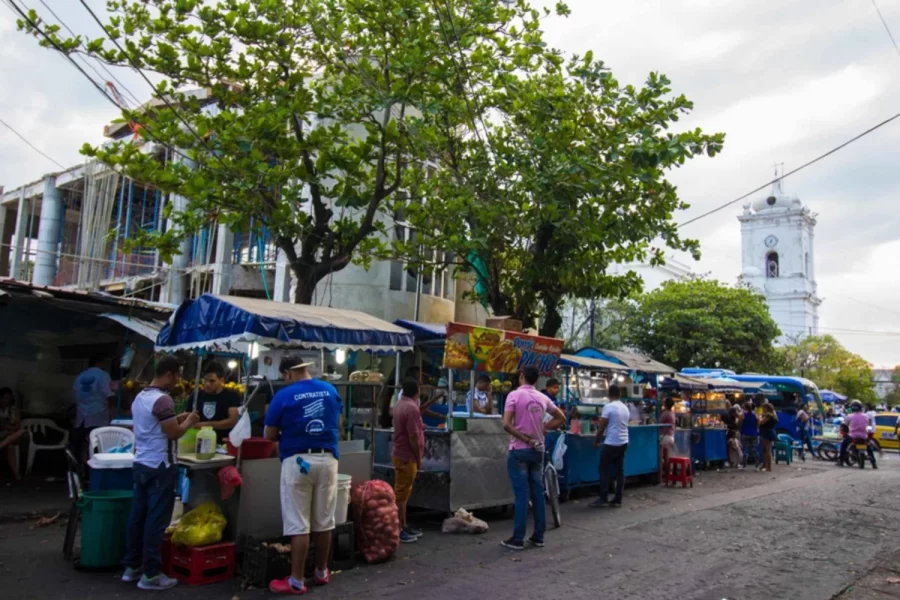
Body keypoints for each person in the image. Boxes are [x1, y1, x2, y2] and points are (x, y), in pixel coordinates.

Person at [264, 355, 343, 594]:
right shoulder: (330, 390)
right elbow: (338, 422)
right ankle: (321, 572)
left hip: (298, 462)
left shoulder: (284, 395)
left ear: (288, 373)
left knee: (299, 523)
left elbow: (269, 435)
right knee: (324, 520)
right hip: (328, 460)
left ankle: (296, 580)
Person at [122, 355, 199, 591]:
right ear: (169, 374)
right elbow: (173, 433)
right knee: (156, 521)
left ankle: (131, 566)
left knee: (138, 516)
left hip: (141, 463)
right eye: (178, 375)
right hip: (161, 466)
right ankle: (151, 575)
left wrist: (179, 418)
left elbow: (158, 425)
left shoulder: (140, 397)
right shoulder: (163, 400)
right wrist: (190, 421)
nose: (179, 380)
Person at [501, 366, 565, 550]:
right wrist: (544, 428)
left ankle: (518, 538)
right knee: (537, 493)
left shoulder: (514, 396)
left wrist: (524, 438)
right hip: (538, 451)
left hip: (519, 450)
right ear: (536, 380)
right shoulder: (543, 397)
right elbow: (561, 417)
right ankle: (538, 536)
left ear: (521, 376)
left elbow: (506, 424)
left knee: (522, 495)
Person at [392, 378, 425, 544]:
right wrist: (418, 456)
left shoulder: (400, 405)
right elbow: (412, 436)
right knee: (402, 494)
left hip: (401, 453)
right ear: (417, 392)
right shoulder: (411, 408)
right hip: (407, 456)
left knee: (404, 493)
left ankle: (404, 525)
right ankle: (399, 528)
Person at [591, 384, 630, 508]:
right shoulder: (625, 407)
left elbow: (602, 427)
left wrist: (596, 440)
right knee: (620, 471)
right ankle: (618, 498)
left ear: (609, 394)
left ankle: (603, 497)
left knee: (604, 469)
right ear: (619, 395)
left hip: (612, 442)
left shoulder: (608, 407)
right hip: (624, 441)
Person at [71, 355, 115, 462]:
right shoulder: (102, 375)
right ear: (99, 362)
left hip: (81, 417)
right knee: (98, 447)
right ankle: (94, 472)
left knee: (79, 447)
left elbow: (75, 395)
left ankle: (78, 471)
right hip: (98, 416)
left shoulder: (80, 376)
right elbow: (109, 395)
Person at [194, 360, 241, 444]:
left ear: (222, 380)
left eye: (212, 381)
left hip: (224, 443)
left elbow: (232, 421)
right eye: (205, 380)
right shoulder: (196, 395)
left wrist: (205, 425)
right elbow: (187, 416)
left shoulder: (232, 396)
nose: (207, 384)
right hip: (200, 442)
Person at [840, 400, 876, 468]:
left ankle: (841, 461)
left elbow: (845, 425)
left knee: (843, 445)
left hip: (852, 436)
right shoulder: (866, 416)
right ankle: (874, 463)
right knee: (869, 448)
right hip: (864, 436)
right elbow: (869, 426)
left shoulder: (850, 416)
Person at [0, 388, 26, 481]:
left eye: (8, 398)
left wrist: (6, 426)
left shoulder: (14, 410)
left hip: (11, 434)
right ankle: (17, 475)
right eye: (4, 398)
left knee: (21, 432)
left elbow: (17, 426)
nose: (6, 400)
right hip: (2, 434)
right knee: (10, 445)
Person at [658, 397, 677, 480]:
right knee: (666, 457)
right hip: (671, 436)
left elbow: (659, 422)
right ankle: (667, 474)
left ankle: (660, 475)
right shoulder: (672, 413)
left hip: (665, 437)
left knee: (659, 455)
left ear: (665, 404)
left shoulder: (665, 413)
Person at [740, 399, 760, 471]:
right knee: (755, 450)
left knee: (745, 450)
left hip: (745, 434)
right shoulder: (756, 415)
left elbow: (740, 423)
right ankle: (757, 467)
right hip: (754, 434)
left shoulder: (743, 415)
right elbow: (758, 425)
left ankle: (744, 466)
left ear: (745, 407)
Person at [758, 402, 778, 472]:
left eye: (764, 408)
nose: (763, 409)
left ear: (767, 408)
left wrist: (760, 417)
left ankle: (768, 467)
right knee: (764, 450)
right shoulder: (771, 414)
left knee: (767, 450)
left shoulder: (769, 416)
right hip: (765, 432)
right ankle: (765, 465)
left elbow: (761, 422)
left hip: (767, 433)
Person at [725, 404, 744, 468]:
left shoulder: (736, 418)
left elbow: (736, 425)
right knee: (736, 448)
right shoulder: (737, 418)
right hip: (735, 433)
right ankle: (736, 462)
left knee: (734, 448)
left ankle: (735, 462)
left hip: (734, 434)